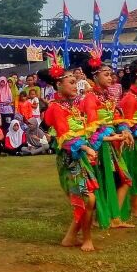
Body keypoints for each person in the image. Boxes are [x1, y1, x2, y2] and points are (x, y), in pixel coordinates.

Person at [40, 55, 99, 252]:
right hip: (69, 159)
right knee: (87, 199)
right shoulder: (57, 108)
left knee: (88, 199)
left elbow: (84, 129)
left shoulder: (72, 105)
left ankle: (71, 237)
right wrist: (86, 148)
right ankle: (86, 239)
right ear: (58, 84)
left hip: (79, 157)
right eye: (72, 82)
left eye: (76, 82)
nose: (76, 85)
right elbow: (65, 138)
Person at [79, 51, 135, 229]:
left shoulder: (107, 97)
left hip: (112, 144)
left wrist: (125, 130)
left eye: (111, 74)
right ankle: (106, 218)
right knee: (107, 180)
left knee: (122, 179)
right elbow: (91, 127)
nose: (111, 78)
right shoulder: (90, 98)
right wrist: (111, 136)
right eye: (106, 74)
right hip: (101, 146)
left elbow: (118, 117)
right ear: (95, 76)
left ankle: (113, 217)